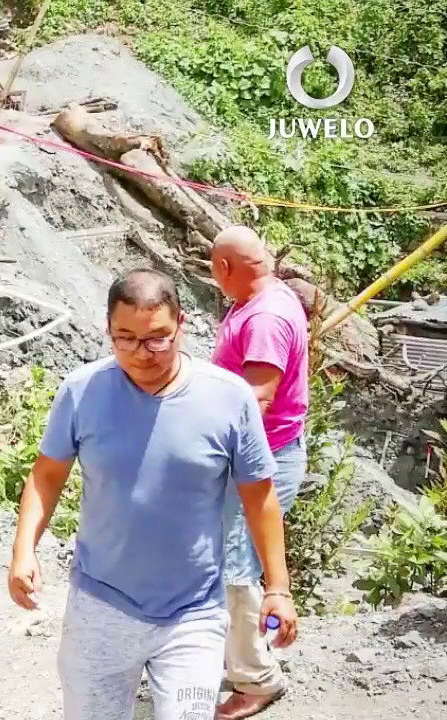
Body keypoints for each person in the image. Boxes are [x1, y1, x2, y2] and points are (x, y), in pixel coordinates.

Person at [7, 268, 298, 720]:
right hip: (100, 605)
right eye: (125, 339)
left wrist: (277, 587)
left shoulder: (228, 398)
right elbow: (46, 475)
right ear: (108, 329)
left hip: (193, 613)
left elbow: (260, 497)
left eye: (158, 338)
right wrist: (24, 550)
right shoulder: (82, 391)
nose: (142, 354)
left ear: (181, 323)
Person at [209, 226, 310, 720]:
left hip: (259, 459)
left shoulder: (267, 316)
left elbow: (258, 398)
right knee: (229, 558)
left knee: (236, 567)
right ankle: (237, 654)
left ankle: (257, 679)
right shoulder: (263, 295)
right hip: (255, 455)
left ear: (225, 267)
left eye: (213, 267)